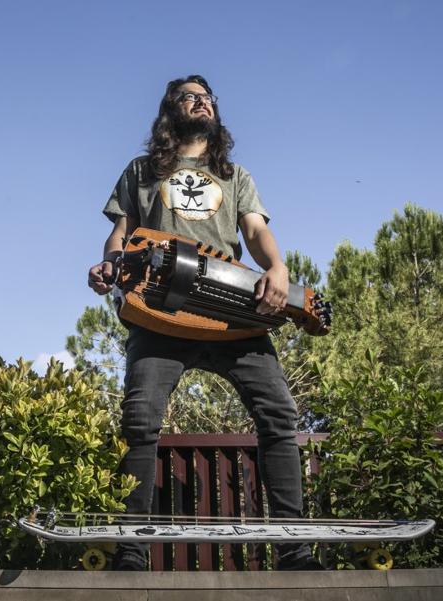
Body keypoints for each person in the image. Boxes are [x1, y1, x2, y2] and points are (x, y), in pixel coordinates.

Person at [87, 75, 322, 571]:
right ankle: (131, 552)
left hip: (232, 315)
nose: (202, 102)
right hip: (158, 315)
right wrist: (108, 265)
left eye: (208, 97)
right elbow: (120, 233)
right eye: (190, 97)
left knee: (279, 416)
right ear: (171, 111)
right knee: (140, 421)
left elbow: (256, 232)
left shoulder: (235, 176)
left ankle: (294, 549)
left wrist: (277, 269)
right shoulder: (141, 170)